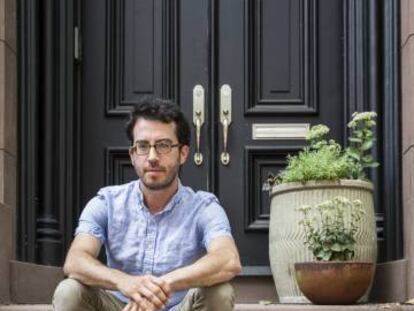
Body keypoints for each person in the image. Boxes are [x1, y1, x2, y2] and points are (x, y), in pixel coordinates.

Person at [53, 98, 242, 311]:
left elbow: (228, 259)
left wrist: (162, 285)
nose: (152, 157)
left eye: (163, 145)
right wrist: (125, 282)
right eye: (143, 146)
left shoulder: (204, 207)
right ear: (133, 155)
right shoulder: (107, 202)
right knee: (68, 291)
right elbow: (75, 261)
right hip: (121, 307)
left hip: (178, 307)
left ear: (183, 154)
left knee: (220, 292)